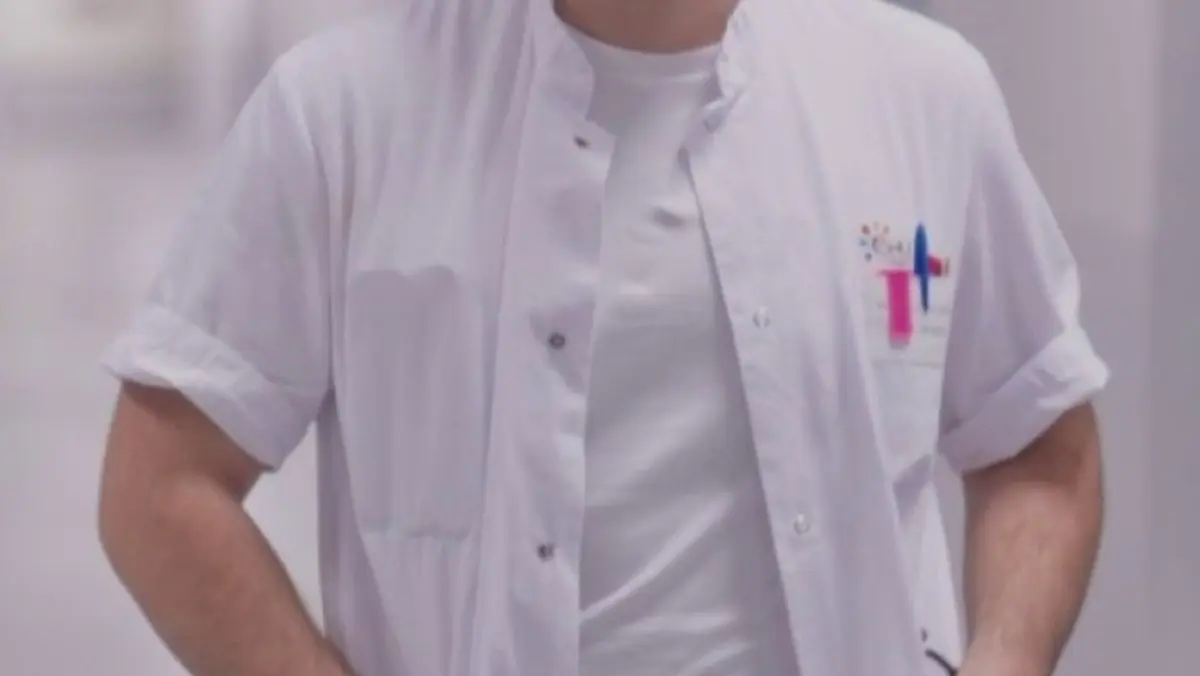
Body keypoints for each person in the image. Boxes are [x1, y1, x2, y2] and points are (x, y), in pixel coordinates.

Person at [96, 1, 1109, 675]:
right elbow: (159, 487)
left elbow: (1037, 443)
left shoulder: (921, 96)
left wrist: (1004, 661)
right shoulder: (342, 113)